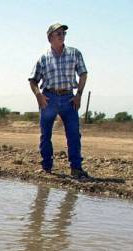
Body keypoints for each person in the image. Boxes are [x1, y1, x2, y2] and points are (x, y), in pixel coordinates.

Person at [29, 22, 89, 179]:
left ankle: (76, 168)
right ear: (50, 38)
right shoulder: (43, 58)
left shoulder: (74, 53)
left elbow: (83, 74)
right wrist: (39, 96)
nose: (62, 35)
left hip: (69, 98)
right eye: (58, 33)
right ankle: (46, 167)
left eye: (63, 33)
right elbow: (32, 80)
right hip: (49, 98)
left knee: (74, 134)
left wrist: (79, 94)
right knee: (45, 134)